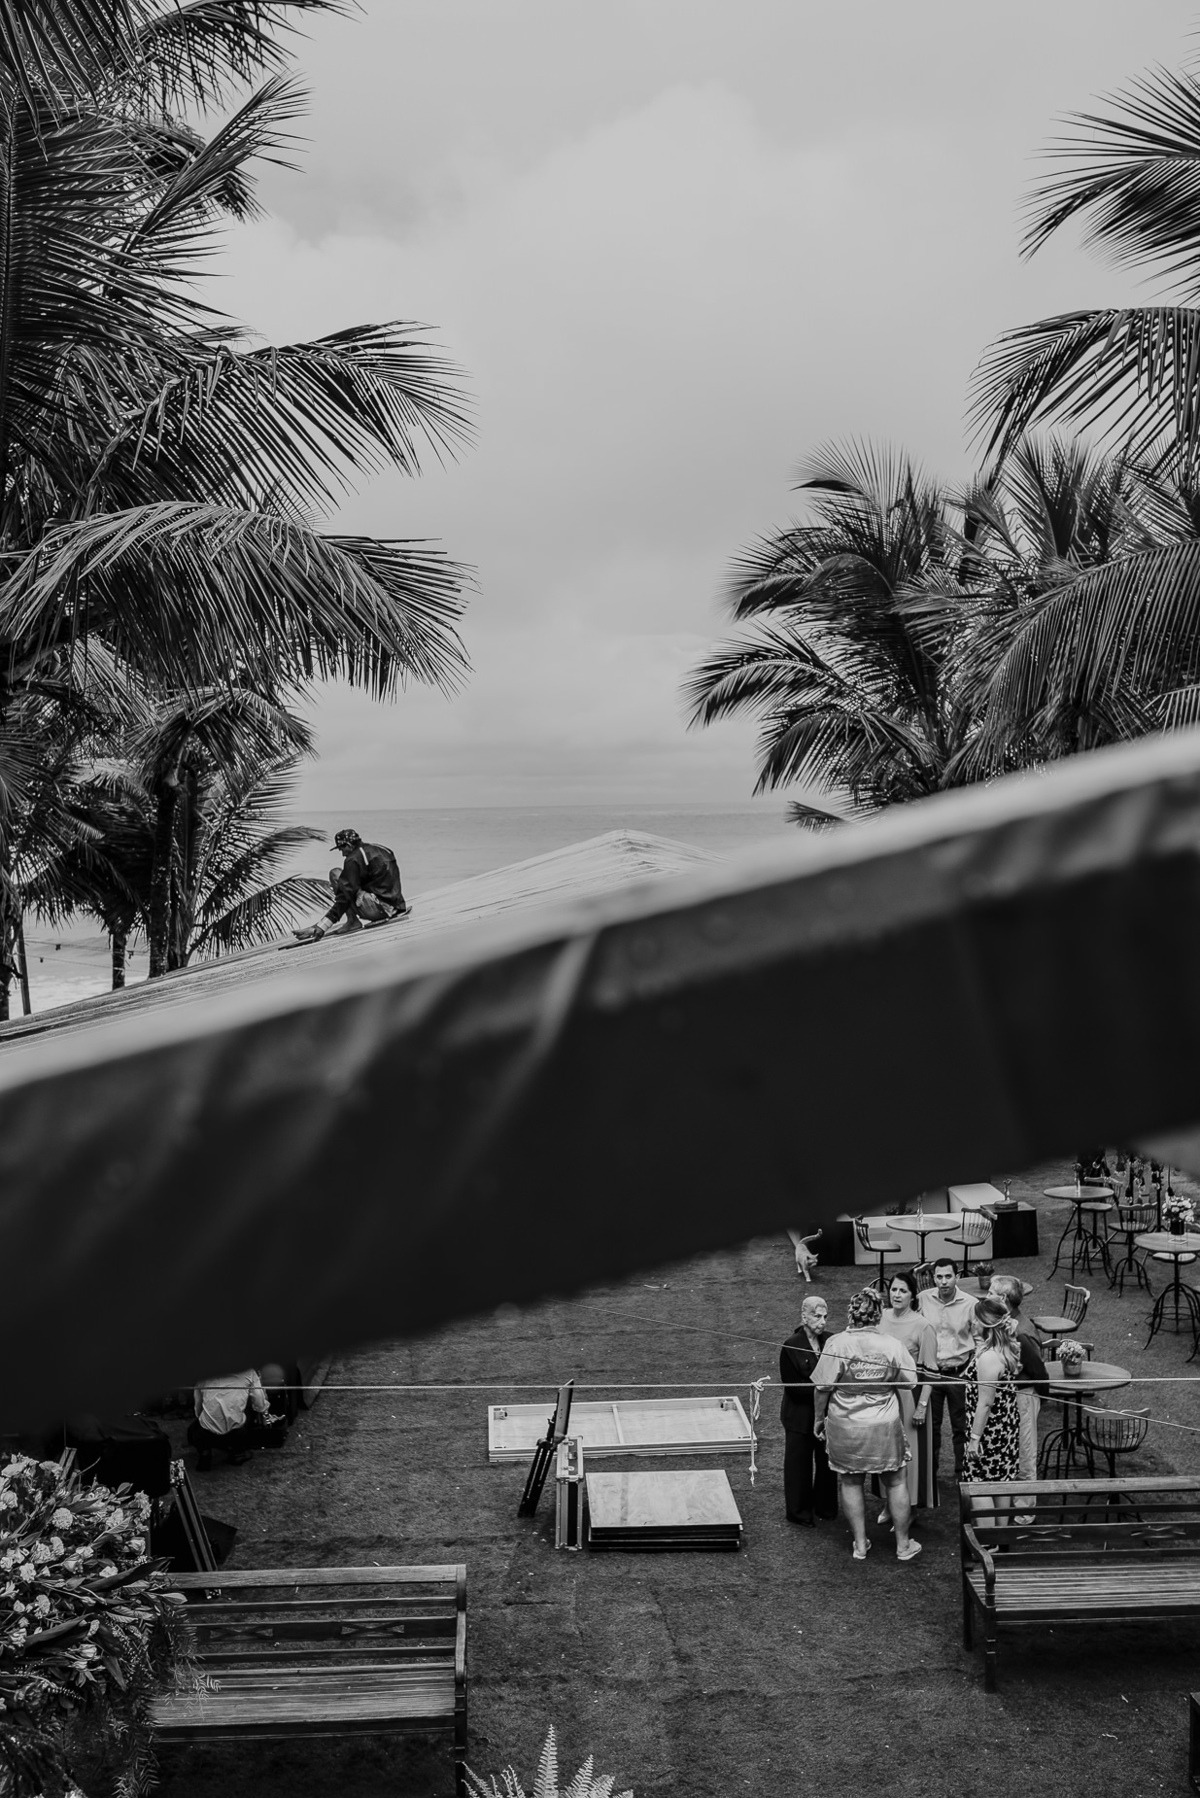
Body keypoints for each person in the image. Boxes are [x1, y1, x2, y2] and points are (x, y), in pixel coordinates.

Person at [812, 1287, 921, 1562]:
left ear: (852, 1313)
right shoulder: (891, 1343)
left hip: (846, 1421)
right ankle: (903, 1545)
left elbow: (823, 1387)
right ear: (877, 1314)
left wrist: (817, 1418)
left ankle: (860, 1545)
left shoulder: (836, 1343)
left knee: (850, 1481)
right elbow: (910, 1381)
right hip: (883, 1421)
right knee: (895, 1480)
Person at [877, 1270, 938, 1515]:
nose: (897, 1295)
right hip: (881, 1395)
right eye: (893, 1289)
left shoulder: (923, 1326)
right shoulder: (880, 1317)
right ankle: (888, 1502)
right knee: (883, 1450)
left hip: (910, 1397)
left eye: (903, 1290)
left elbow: (932, 1372)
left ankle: (909, 1509)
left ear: (913, 1296)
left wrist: (922, 1405)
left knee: (909, 1455)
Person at [989, 1273, 1050, 1508]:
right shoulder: (1002, 1323)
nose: (987, 1297)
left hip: (1023, 1395)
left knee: (1025, 1454)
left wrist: (1040, 1399)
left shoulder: (1021, 1331)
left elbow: (1039, 1370)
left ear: (1003, 1298)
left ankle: (1025, 1510)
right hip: (1009, 1396)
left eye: (991, 1293)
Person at [916, 1257, 977, 1485]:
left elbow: (979, 1339)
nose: (943, 1281)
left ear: (957, 1277)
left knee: (961, 1427)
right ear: (934, 1278)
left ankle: (963, 1474)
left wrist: (969, 1370)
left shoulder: (970, 1303)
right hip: (931, 1375)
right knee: (931, 1428)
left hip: (958, 1374)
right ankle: (929, 1475)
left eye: (948, 1276)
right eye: (939, 1277)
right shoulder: (923, 1299)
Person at [779, 1295, 839, 1525]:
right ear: (804, 1316)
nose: (822, 1321)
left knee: (827, 1465)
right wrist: (824, 1390)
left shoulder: (833, 1341)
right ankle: (799, 1512)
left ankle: (826, 1508)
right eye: (816, 1316)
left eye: (825, 1316)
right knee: (798, 1466)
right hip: (799, 1417)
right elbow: (793, 1389)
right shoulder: (790, 1345)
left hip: (827, 1417)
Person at [293, 828, 410, 941]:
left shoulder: (353, 859)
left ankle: (352, 921)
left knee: (335, 874)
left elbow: (345, 896)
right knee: (350, 883)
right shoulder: (382, 849)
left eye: (342, 850)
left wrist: (322, 926)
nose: (343, 854)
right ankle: (355, 918)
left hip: (379, 910)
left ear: (348, 846)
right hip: (397, 906)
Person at [963, 1298, 1021, 1517]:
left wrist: (975, 1439)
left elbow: (985, 1403)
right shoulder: (1005, 1348)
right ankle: (1000, 1539)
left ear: (983, 1324)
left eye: (974, 1320)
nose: (971, 1323)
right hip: (1005, 1428)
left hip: (989, 1432)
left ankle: (987, 1542)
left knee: (979, 1484)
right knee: (1000, 1479)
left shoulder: (988, 1358)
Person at [187, 1369, 273, 1471]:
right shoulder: (249, 1372)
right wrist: (265, 1411)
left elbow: (198, 1407)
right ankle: (238, 1453)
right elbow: (259, 1404)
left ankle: (205, 1453)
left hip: (206, 1433)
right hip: (235, 1433)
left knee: (194, 1430)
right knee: (251, 1407)